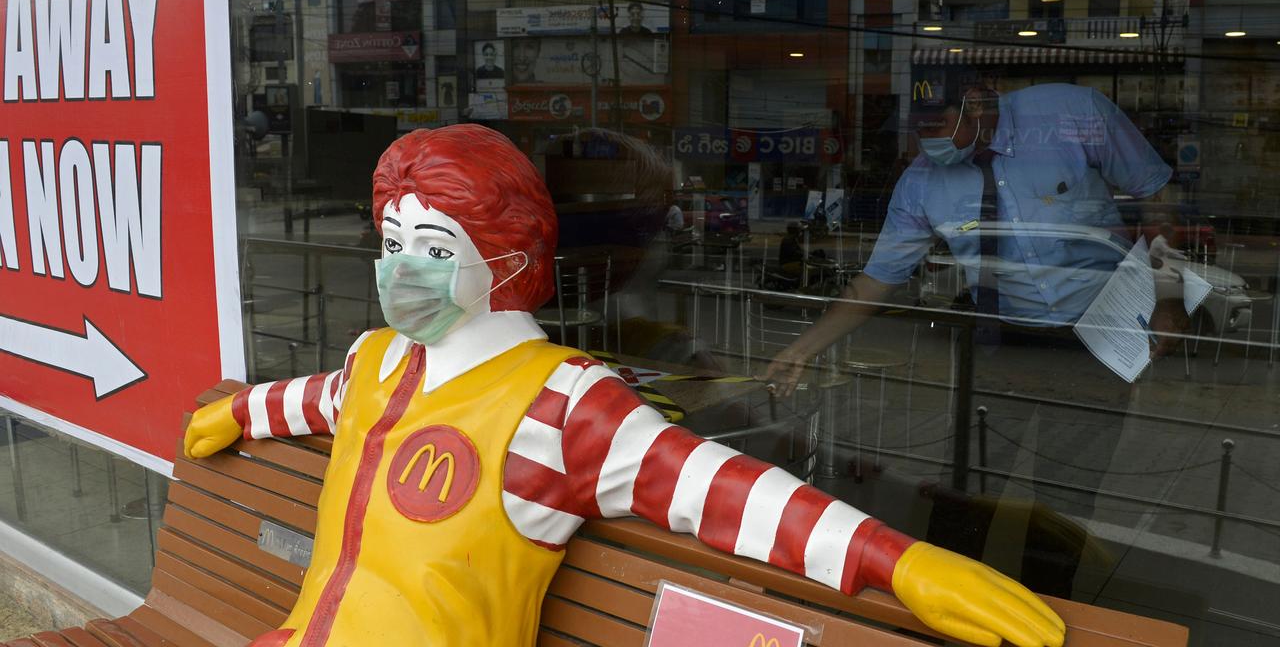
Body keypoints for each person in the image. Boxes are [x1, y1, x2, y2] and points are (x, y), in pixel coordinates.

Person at [184, 125, 1064, 647]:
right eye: (391, 243)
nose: (399, 270)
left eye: (434, 249)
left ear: (510, 262)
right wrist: (236, 410)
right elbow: (315, 399)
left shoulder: (559, 403)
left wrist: (892, 558)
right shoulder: (379, 363)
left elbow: (720, 491)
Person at [766, 81, 1185, 597]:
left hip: (1097, 338)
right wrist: (801, 349)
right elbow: (877, 280)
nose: (927, 144)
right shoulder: (921, 183)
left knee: (1065, 496)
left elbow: (1153, 195)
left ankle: (1042, 610)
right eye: (917, 131)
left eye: (937, 127)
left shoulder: (1069, 114)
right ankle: (952, 604)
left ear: (980, 106)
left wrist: (1168, 298)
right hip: (999, 343)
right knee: (966, 488)